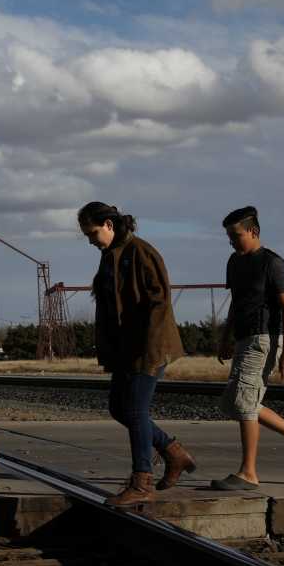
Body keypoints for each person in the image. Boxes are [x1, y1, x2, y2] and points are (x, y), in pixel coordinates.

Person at [78, 201, 195, 505]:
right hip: (125, 350)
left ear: (109, 225)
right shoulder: (109, 257)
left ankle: (142, 482)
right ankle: (173, 452)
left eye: (92, 233)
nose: (90, 240)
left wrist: (149, 346)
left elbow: (160, 300)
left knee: (134, 410)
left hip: (148, 347)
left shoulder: (140, 252)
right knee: (119, 407)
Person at [212, 206, 284, 491]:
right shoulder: (234, 263)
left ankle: (248, 473)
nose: (232, 241)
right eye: (228, 237)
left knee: (244, 404)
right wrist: (226, 337)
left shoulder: (272, 263)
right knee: (235, 402)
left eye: (236, 235)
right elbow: (236, 304)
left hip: (266, 339)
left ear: (253, 231)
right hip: (243, 339)